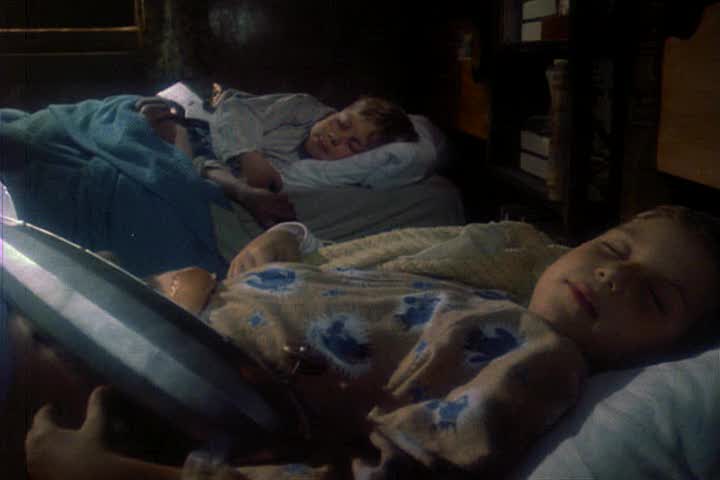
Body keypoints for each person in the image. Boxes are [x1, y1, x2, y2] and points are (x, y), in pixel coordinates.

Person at [17, 205, 720, 479]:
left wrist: (124, 476)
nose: (615, 276)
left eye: (655, 297)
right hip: (174, 324)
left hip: (191, 392)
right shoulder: (492, 300)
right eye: (615, 247)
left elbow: (382, 474)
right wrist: (275, 253)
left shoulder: (544, 364)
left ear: (659, 354)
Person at [0, 89, 417, 279]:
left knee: (81, 183)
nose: (334, 138)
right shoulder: (301, 109)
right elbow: (235, 108)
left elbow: (198, 173)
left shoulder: (323, 180)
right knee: (48, 135)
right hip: (194, 141)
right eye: (341, 123)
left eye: (352, 145)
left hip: (191, 172)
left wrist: (237, 188)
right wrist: (250, 158)